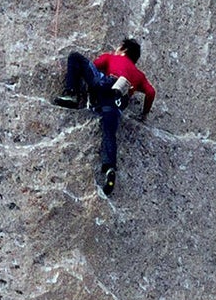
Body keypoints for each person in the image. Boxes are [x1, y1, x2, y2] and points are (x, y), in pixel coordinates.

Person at [52, 37, 156, 194]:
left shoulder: (111, 57)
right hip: (118, 100)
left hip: (106, 83)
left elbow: (94, 66)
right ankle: (110, 169)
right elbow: (150, 92)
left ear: (123, 50)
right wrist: (144, 114)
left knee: (75, 57)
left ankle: (71, 95)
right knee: (109, 133)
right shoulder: (139, 75)